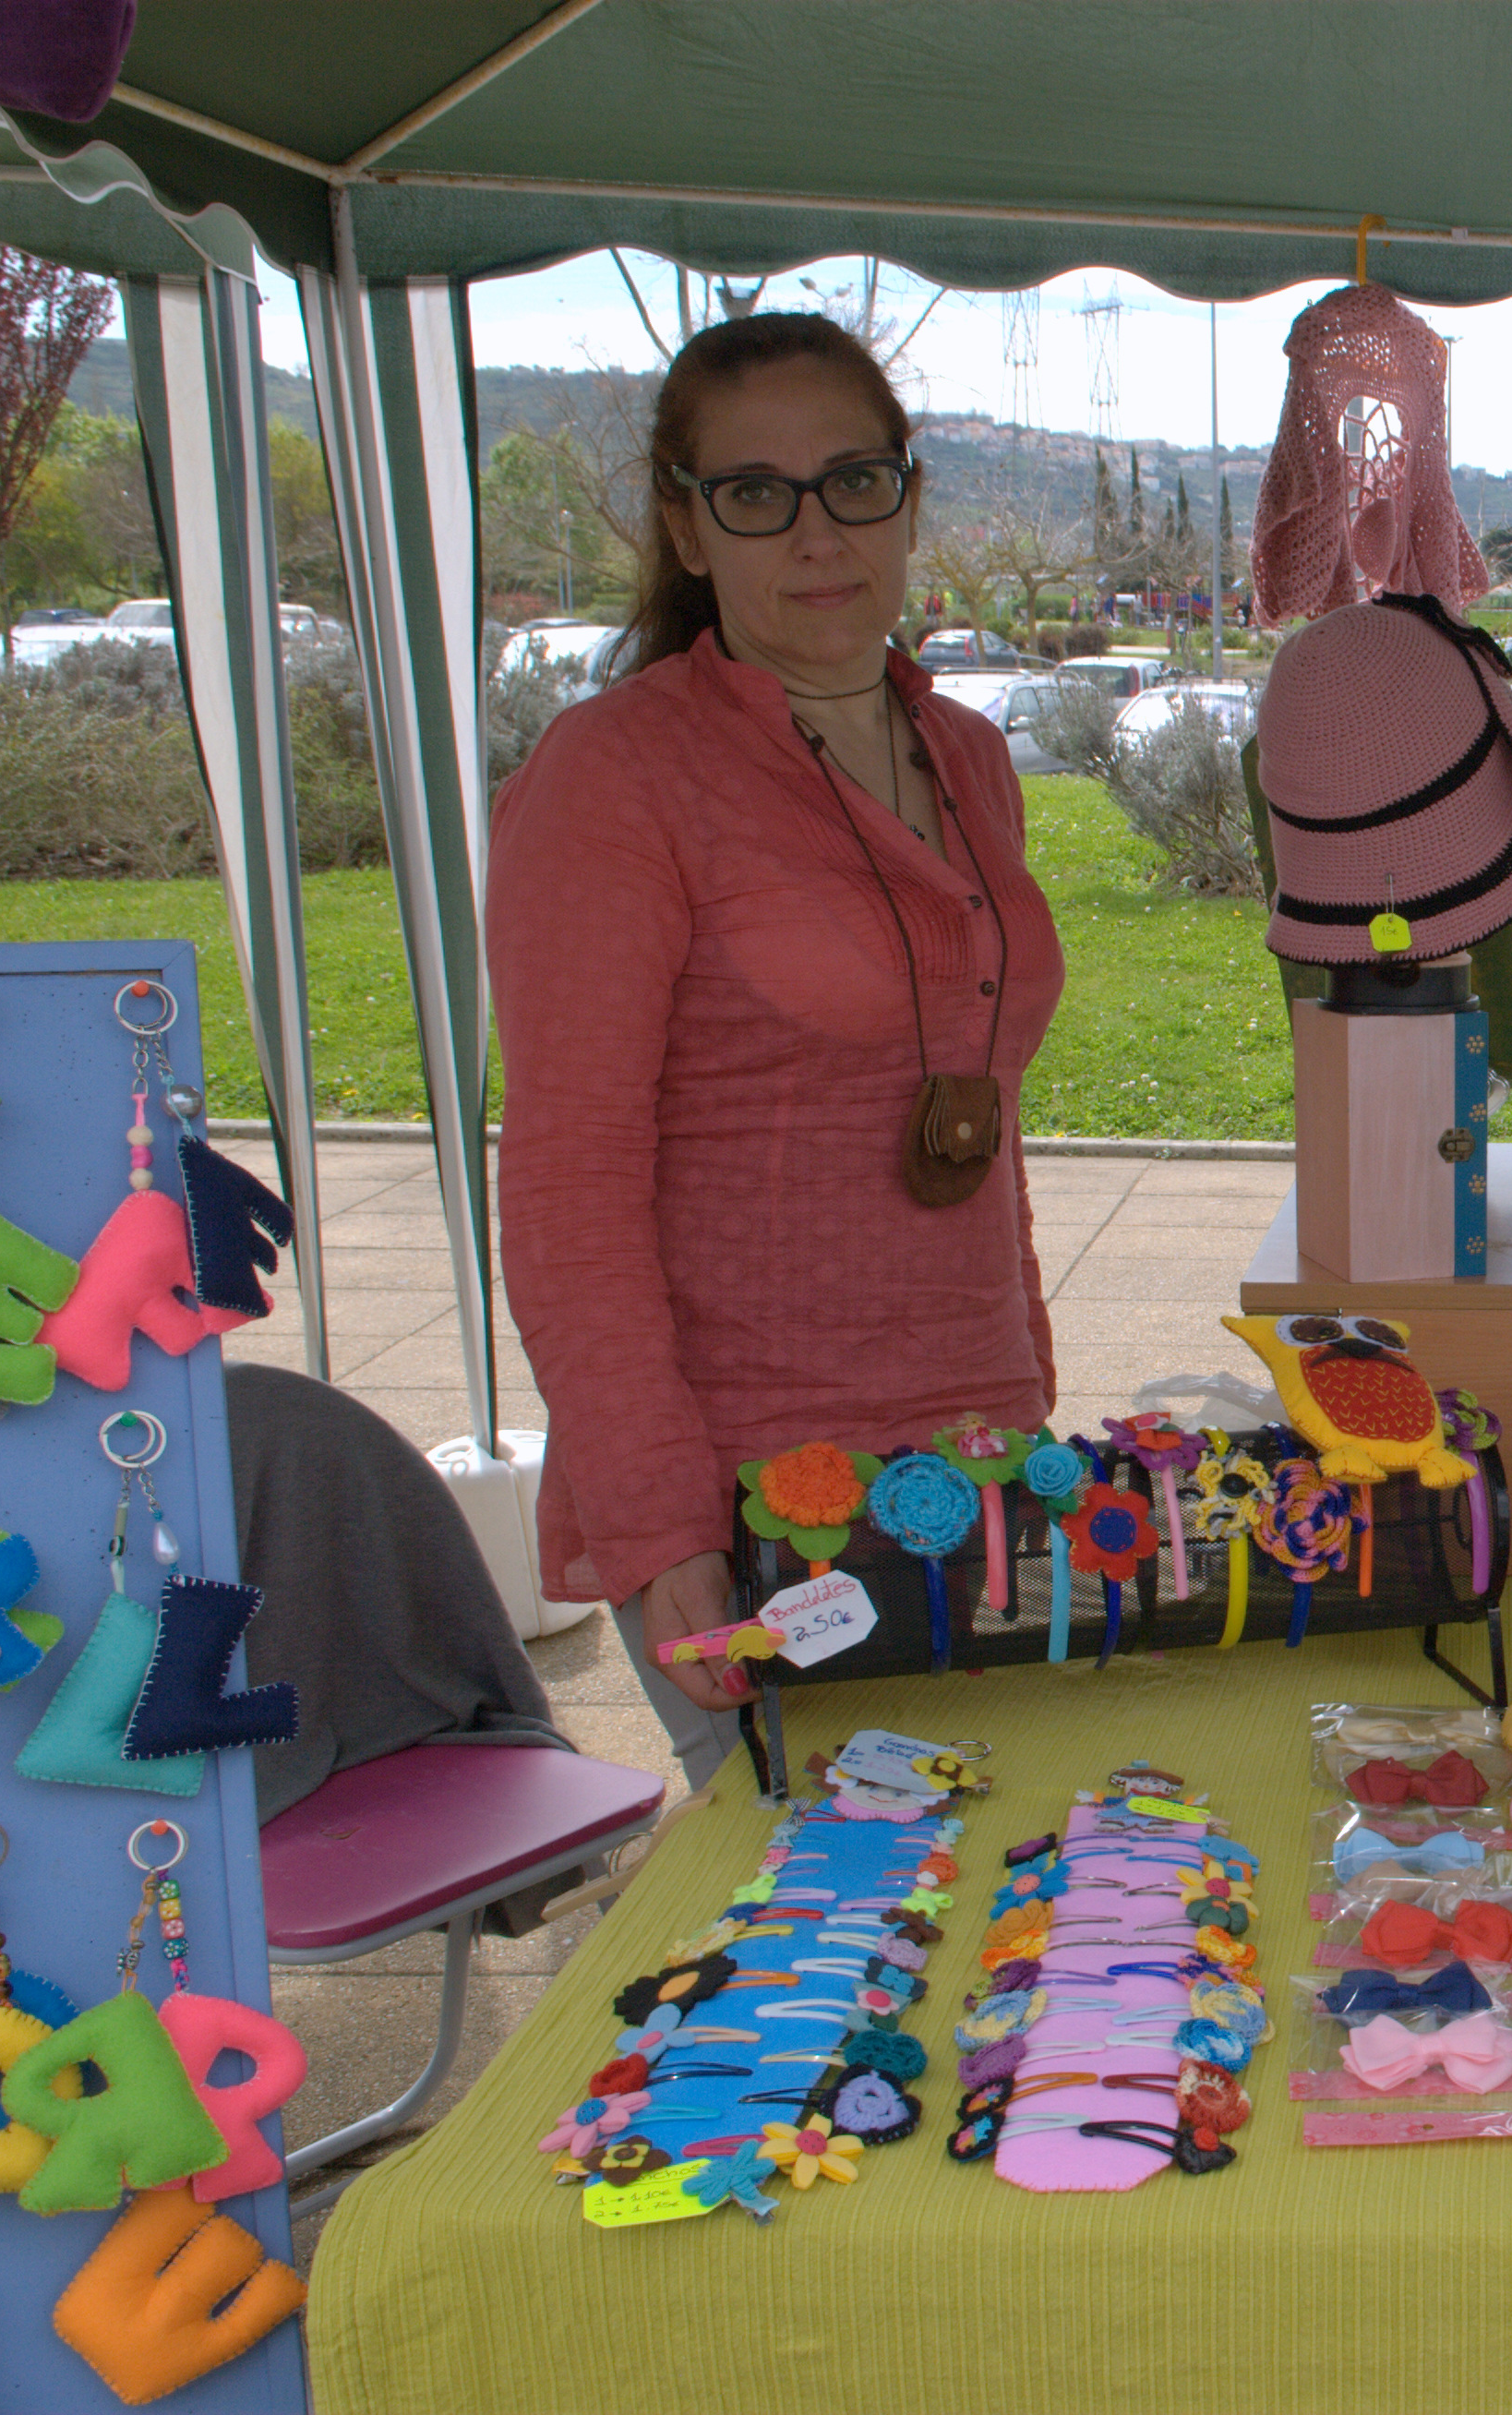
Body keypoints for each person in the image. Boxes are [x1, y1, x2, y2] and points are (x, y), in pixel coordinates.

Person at [488, 314, 1065, 1788]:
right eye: (757, 493)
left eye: (853, 481)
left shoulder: (969, 756)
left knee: (1012, 1891)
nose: (816, 533)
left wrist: (1028, 1408)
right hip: (756, 1492)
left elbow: (975, 1106)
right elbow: (567, 1188)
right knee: (837, 1913)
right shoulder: (616, 776)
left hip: (979, 1451)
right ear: (687, 523)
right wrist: (661, 1525)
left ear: (911, 498)